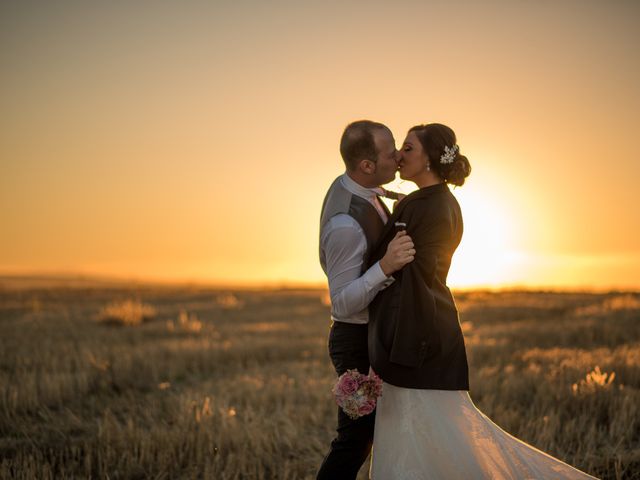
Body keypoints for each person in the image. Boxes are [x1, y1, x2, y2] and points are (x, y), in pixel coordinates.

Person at [367, 123, 597, 479]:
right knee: (428, 443)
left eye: (408, 149)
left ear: (429, 159)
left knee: (432, 441)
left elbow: (415, 281)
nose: (399, 155)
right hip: (423, 328)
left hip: (415, 336)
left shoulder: (427, 207)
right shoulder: (438, 202)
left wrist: (394, 349)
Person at [317, 120, 416, 480]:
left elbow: (372, 197)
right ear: (367, 166)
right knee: (354, 442)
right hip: (355, 342)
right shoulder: (344, 226)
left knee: (376, 435)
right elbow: (342, 304)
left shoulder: (359, 186)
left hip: (374, 335)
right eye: (391, 153)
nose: (399, 157)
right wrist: (386, 266)